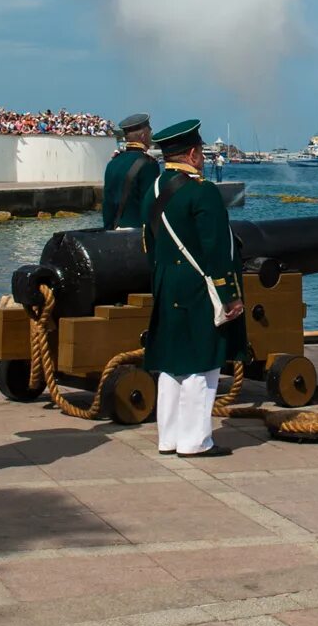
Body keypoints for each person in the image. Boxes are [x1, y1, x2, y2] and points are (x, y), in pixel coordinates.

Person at [140, 118, 243, 459]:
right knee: (202, 360)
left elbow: (149, 243)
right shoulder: (203, 192)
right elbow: (216, 249)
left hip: (167, 281)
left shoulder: (155, 189)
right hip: (199, 285)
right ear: (195, 153)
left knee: (171, 362)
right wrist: (229, 295)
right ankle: (196, 440)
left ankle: (168, 437)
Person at [101, 113, 159, 230]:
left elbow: (107, 204)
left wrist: (108, 230)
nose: (150, 134)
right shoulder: (149, 164)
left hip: (114, 231)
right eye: (149, 132)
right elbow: (150, 205)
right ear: (143, 136)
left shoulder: (113, 163)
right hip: (137, 233)